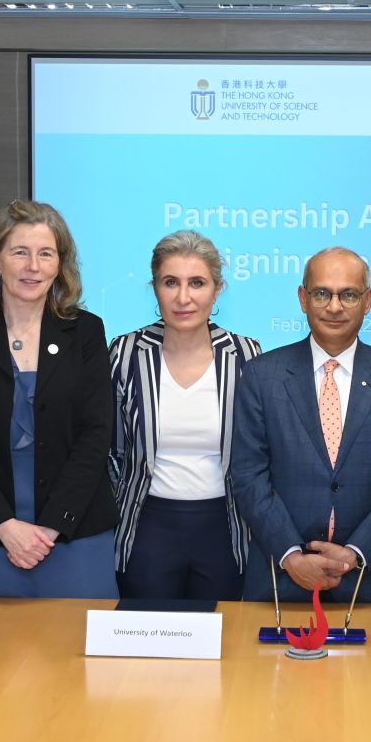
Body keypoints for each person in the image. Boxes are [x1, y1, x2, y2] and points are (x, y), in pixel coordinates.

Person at [0, 200, 119, 642]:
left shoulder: (87, 331)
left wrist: (51, 526)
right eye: (20, 252)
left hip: (74, 534)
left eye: (46, 253)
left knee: (82, 674)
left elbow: (98, 435)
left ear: (61, 264)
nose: (32, 266)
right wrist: (6, 527)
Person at [232, 247, 371, 605]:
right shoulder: (262, 375)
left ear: (368, 301)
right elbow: (248, 475)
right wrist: (291, 556)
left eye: (348, 294)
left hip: (362, 579)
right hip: (278, 576)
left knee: (364, 664)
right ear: (303, 298)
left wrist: (355, 553)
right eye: (322, 293)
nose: (335, 307)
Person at [109, 230, 263, 601]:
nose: (183, 297)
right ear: (155, 288)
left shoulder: (246, 354)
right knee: (147, 651)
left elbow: (258, 452)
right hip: (146, 528)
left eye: (197, 283)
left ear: (217, 289)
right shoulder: (126, 352)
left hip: (224, 529)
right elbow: (109, 449)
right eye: (170, 282)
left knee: (220, 650)